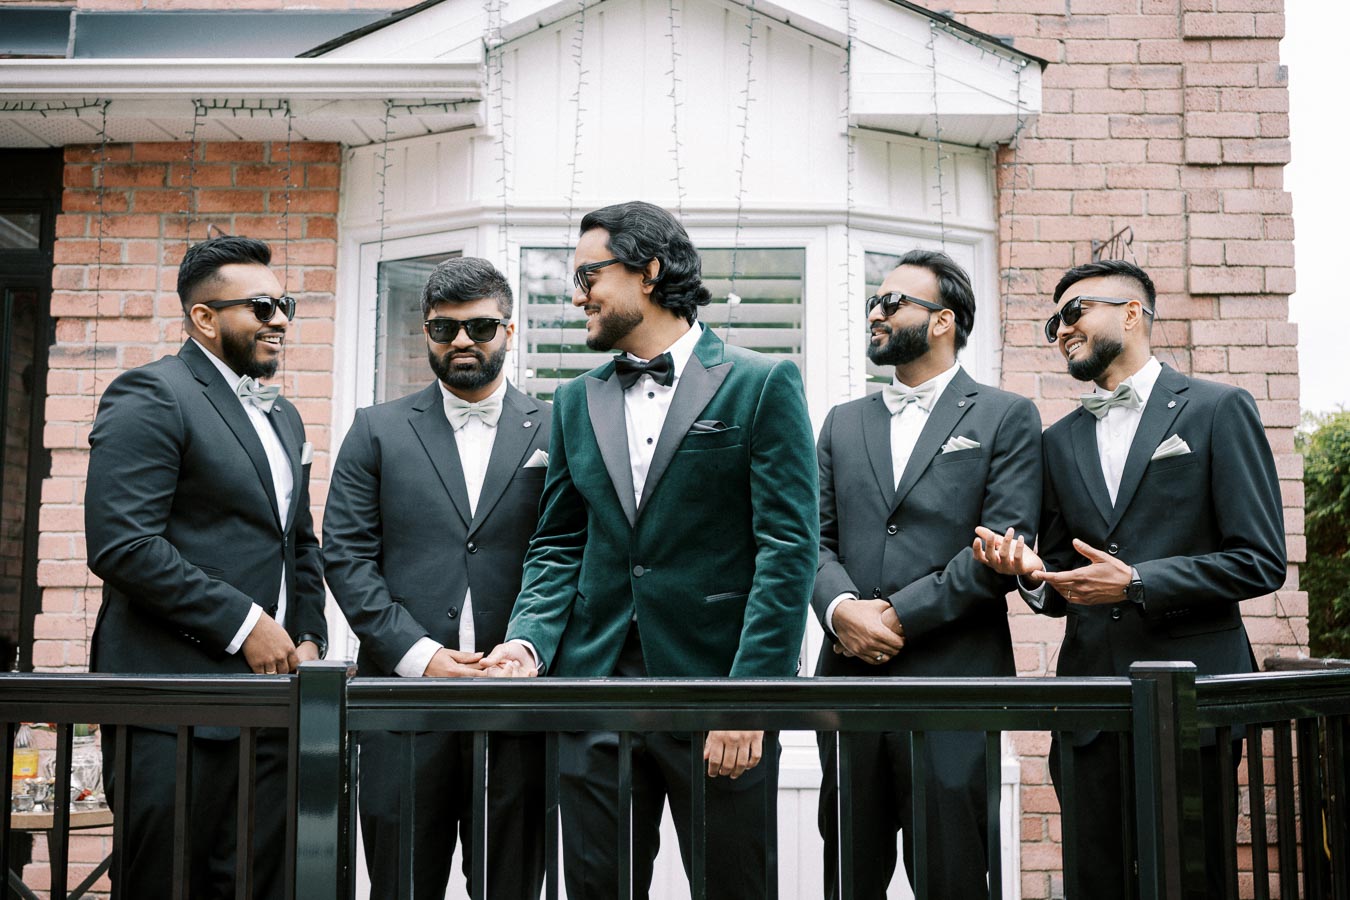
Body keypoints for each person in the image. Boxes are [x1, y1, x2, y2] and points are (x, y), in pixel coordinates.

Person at [483, 201, 819, 900]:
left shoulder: (763, 382)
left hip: (717, 694)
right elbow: (559, 542)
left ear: (649, 270)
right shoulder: (574, 399)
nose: (576, 295)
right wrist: (527, 643)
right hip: (595, 691)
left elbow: (787, 549)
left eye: (588, 275)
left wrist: (749, 699)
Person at [973, 258, 1286, 897]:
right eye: (1052, 323)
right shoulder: (1057, 441)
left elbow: (1260, 558)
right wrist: (1032, 576)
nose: (1060, 331)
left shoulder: (1218, 409)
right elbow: (1062, 571)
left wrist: (1139, 582)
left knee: (1192, 880)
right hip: (1089, 705)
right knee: (1096, 882)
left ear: (1132, 313)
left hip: (1191, 698)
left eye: (1073, 312)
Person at [86, 234, 326, 899]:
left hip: (274, 707)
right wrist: (246, 623)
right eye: (261, 306)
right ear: (204, 318)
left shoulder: (286, 419)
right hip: (172, 704)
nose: (279, 319)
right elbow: (122, 544)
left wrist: (307, 634)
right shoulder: (151, 394)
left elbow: (299, 543)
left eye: (285, 304)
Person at [812, 250, 1042, 898]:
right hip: (849, 686)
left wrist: (893, 616)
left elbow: (1003, 546)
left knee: (953, 876)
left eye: (892, 302)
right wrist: (840, 610)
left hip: (954, 685)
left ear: (943, 321)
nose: (876, 313)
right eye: (873, 304)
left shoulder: (1005, 415)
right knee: (848, 876)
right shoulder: (842, 422)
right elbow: (811, 541)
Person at [322, 257, 549, 900]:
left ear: (510, 330)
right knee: (402, 882)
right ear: (426, 332)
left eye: (480, 327)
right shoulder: (376, 429)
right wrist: (419, 657)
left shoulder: (560, 428)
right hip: (403, 706)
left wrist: (528, 648)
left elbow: (570, 554)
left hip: (518, 705)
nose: (461, 342)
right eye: (443, 328)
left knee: (510, 886)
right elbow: (345, 554)